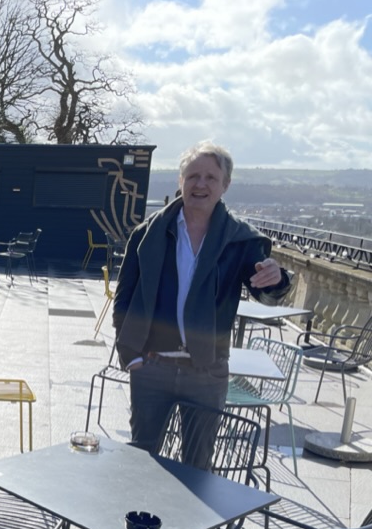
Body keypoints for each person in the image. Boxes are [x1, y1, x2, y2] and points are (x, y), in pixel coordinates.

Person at [113, 140, 293, 467]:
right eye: (193, 175)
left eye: (211, 177)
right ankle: (140, 519)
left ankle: (189, 520)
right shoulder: (147, 235)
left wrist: (277, 278)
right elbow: (124, 298)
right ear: (180, 181)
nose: (200, 184)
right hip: (152, 367)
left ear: (225, 185)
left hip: (206, 372)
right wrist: (130, 355)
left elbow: (265, 293)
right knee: (141, 460)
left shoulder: (241, 240)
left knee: (198, 465)